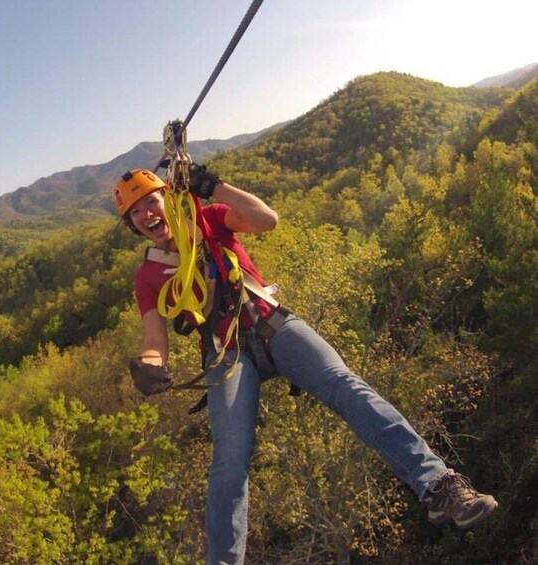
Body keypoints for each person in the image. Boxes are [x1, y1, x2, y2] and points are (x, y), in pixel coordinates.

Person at [113, 166, 498, 565]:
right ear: (132, 226)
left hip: (271, 324)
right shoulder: (149, 275)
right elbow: (154, 343)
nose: (146, 215)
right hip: (226, 355)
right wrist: (147, 366)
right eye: (135, 213)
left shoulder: (208, 222)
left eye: (150, 202)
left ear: (168, 199)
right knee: (229, 460)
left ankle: (439, 484)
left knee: (345, 386)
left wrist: (212, 186)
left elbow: (267, 220)